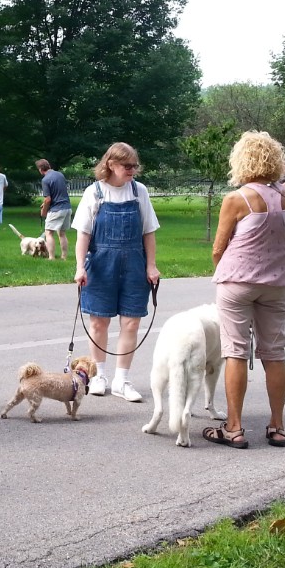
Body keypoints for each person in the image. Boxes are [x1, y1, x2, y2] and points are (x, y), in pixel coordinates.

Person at [204, 131, 285, 450]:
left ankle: (234, 428)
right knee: (274, 353)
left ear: (241, 161)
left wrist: (223, 270)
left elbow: (218, 248)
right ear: (275, 161)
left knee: (235, 352)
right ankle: (277, 426)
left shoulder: (236, 199)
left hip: (237, 283)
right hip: (277, 285)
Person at [71, 143, 160, 402]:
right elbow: (83, 234)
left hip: (134, 263)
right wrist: (80, 267)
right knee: (99, 322)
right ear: (111, 164)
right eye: (127, 165)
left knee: (131, 321)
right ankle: (99, 375)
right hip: (101, 263)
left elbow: (148, 232)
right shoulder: (94, 192)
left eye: (134, 166)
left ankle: (122, 380)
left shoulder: (139, 191)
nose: (132, 170)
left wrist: (151, 265)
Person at [36, 158, 72, 260]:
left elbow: (48, 199)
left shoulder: (45, 180)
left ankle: (51, 257)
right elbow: (58, 192)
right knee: (62, 233)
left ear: (40, 169)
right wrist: (44, 203)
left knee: (49, 233)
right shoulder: (60, 175)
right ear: (49, 166)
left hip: (56, 209)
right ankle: (64, 257)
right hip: (67, 208)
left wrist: (44, 211)